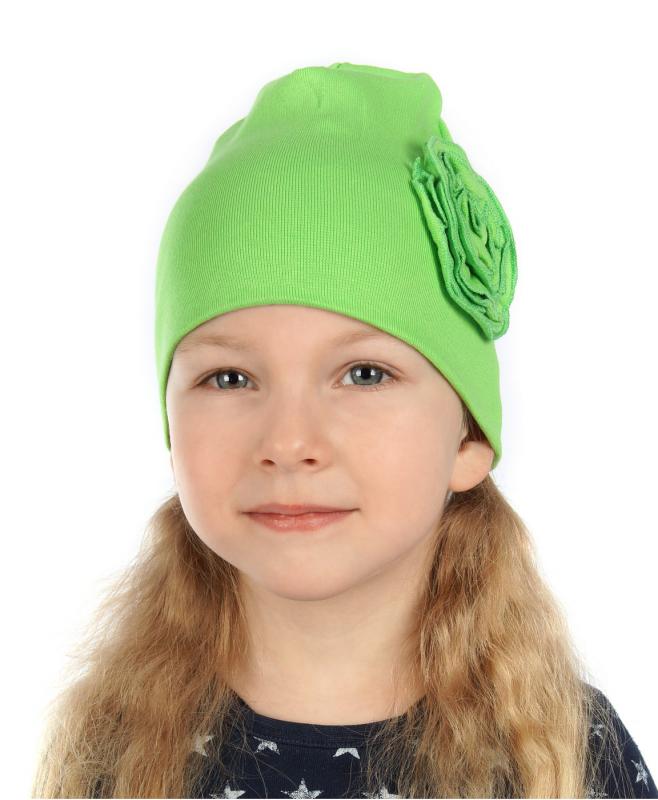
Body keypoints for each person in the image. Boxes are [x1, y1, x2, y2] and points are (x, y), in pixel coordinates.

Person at [32, 62, 656, 799]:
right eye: (229, 378)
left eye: (364, 374)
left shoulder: (565, 758)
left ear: (468, 438)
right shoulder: (118, 752)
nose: (289, 443)